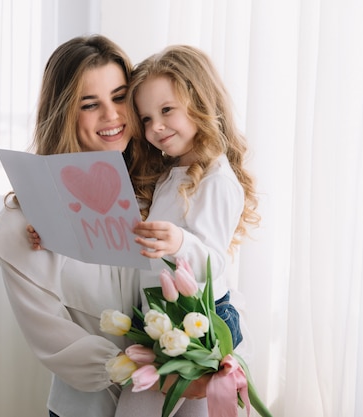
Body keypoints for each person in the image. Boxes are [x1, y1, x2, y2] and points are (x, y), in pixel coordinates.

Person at [0, 35, 154, 417]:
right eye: (89, 104)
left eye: (119, 97)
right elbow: (52, 336)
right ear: (65, 111)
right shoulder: (24, 222)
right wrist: (148, 372)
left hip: (170, 402)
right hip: (85, 408)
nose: (112, 116)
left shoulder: (159, 194)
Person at [112, 44, 261, 417]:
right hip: (168, 316)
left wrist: (180, 241)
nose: (155, 127)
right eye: (145, 119)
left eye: (166, 111)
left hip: (198, 318)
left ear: (200, 103)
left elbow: (213, 263)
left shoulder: (216, 180)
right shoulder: (172, 172)